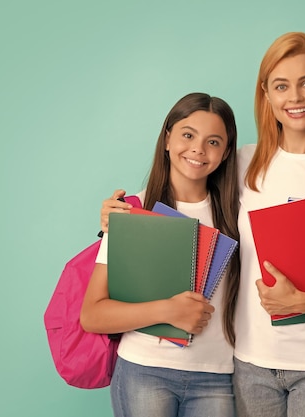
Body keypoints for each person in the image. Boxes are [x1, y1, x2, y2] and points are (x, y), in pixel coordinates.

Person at [99, 32, 305, 417]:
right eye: (281, 85)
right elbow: (174, 203)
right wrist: (113, 215)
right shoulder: (241, 163)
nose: (296, 97)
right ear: (266, 94)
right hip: (249, 363)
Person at [80, 92, 240, 417]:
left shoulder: (238, 215)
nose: (197, 148)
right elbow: (93, 315)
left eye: (213, 141)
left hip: (218, 376)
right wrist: (168, 310)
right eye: (187, 135)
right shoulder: (134, 212)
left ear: (226, 153)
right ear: (167, 139)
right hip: (144, 371)